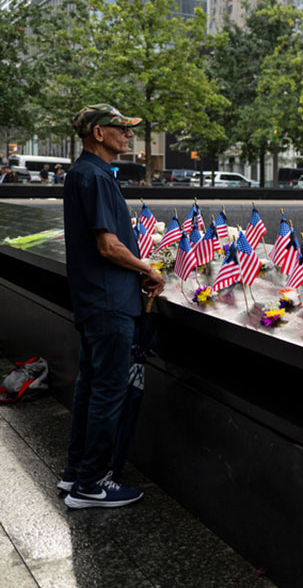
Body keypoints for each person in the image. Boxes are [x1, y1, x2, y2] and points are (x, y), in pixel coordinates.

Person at [59, 104, 165, 509]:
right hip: (110, 304)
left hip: (93, 300)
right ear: (98, 134)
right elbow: (108, 245)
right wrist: (148, 268)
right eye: (120, 128)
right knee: (108, 392)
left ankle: (75, 474)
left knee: (89, 387)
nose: (128, 134)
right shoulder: (97, 176)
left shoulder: (80, 173)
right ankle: (92, 484)